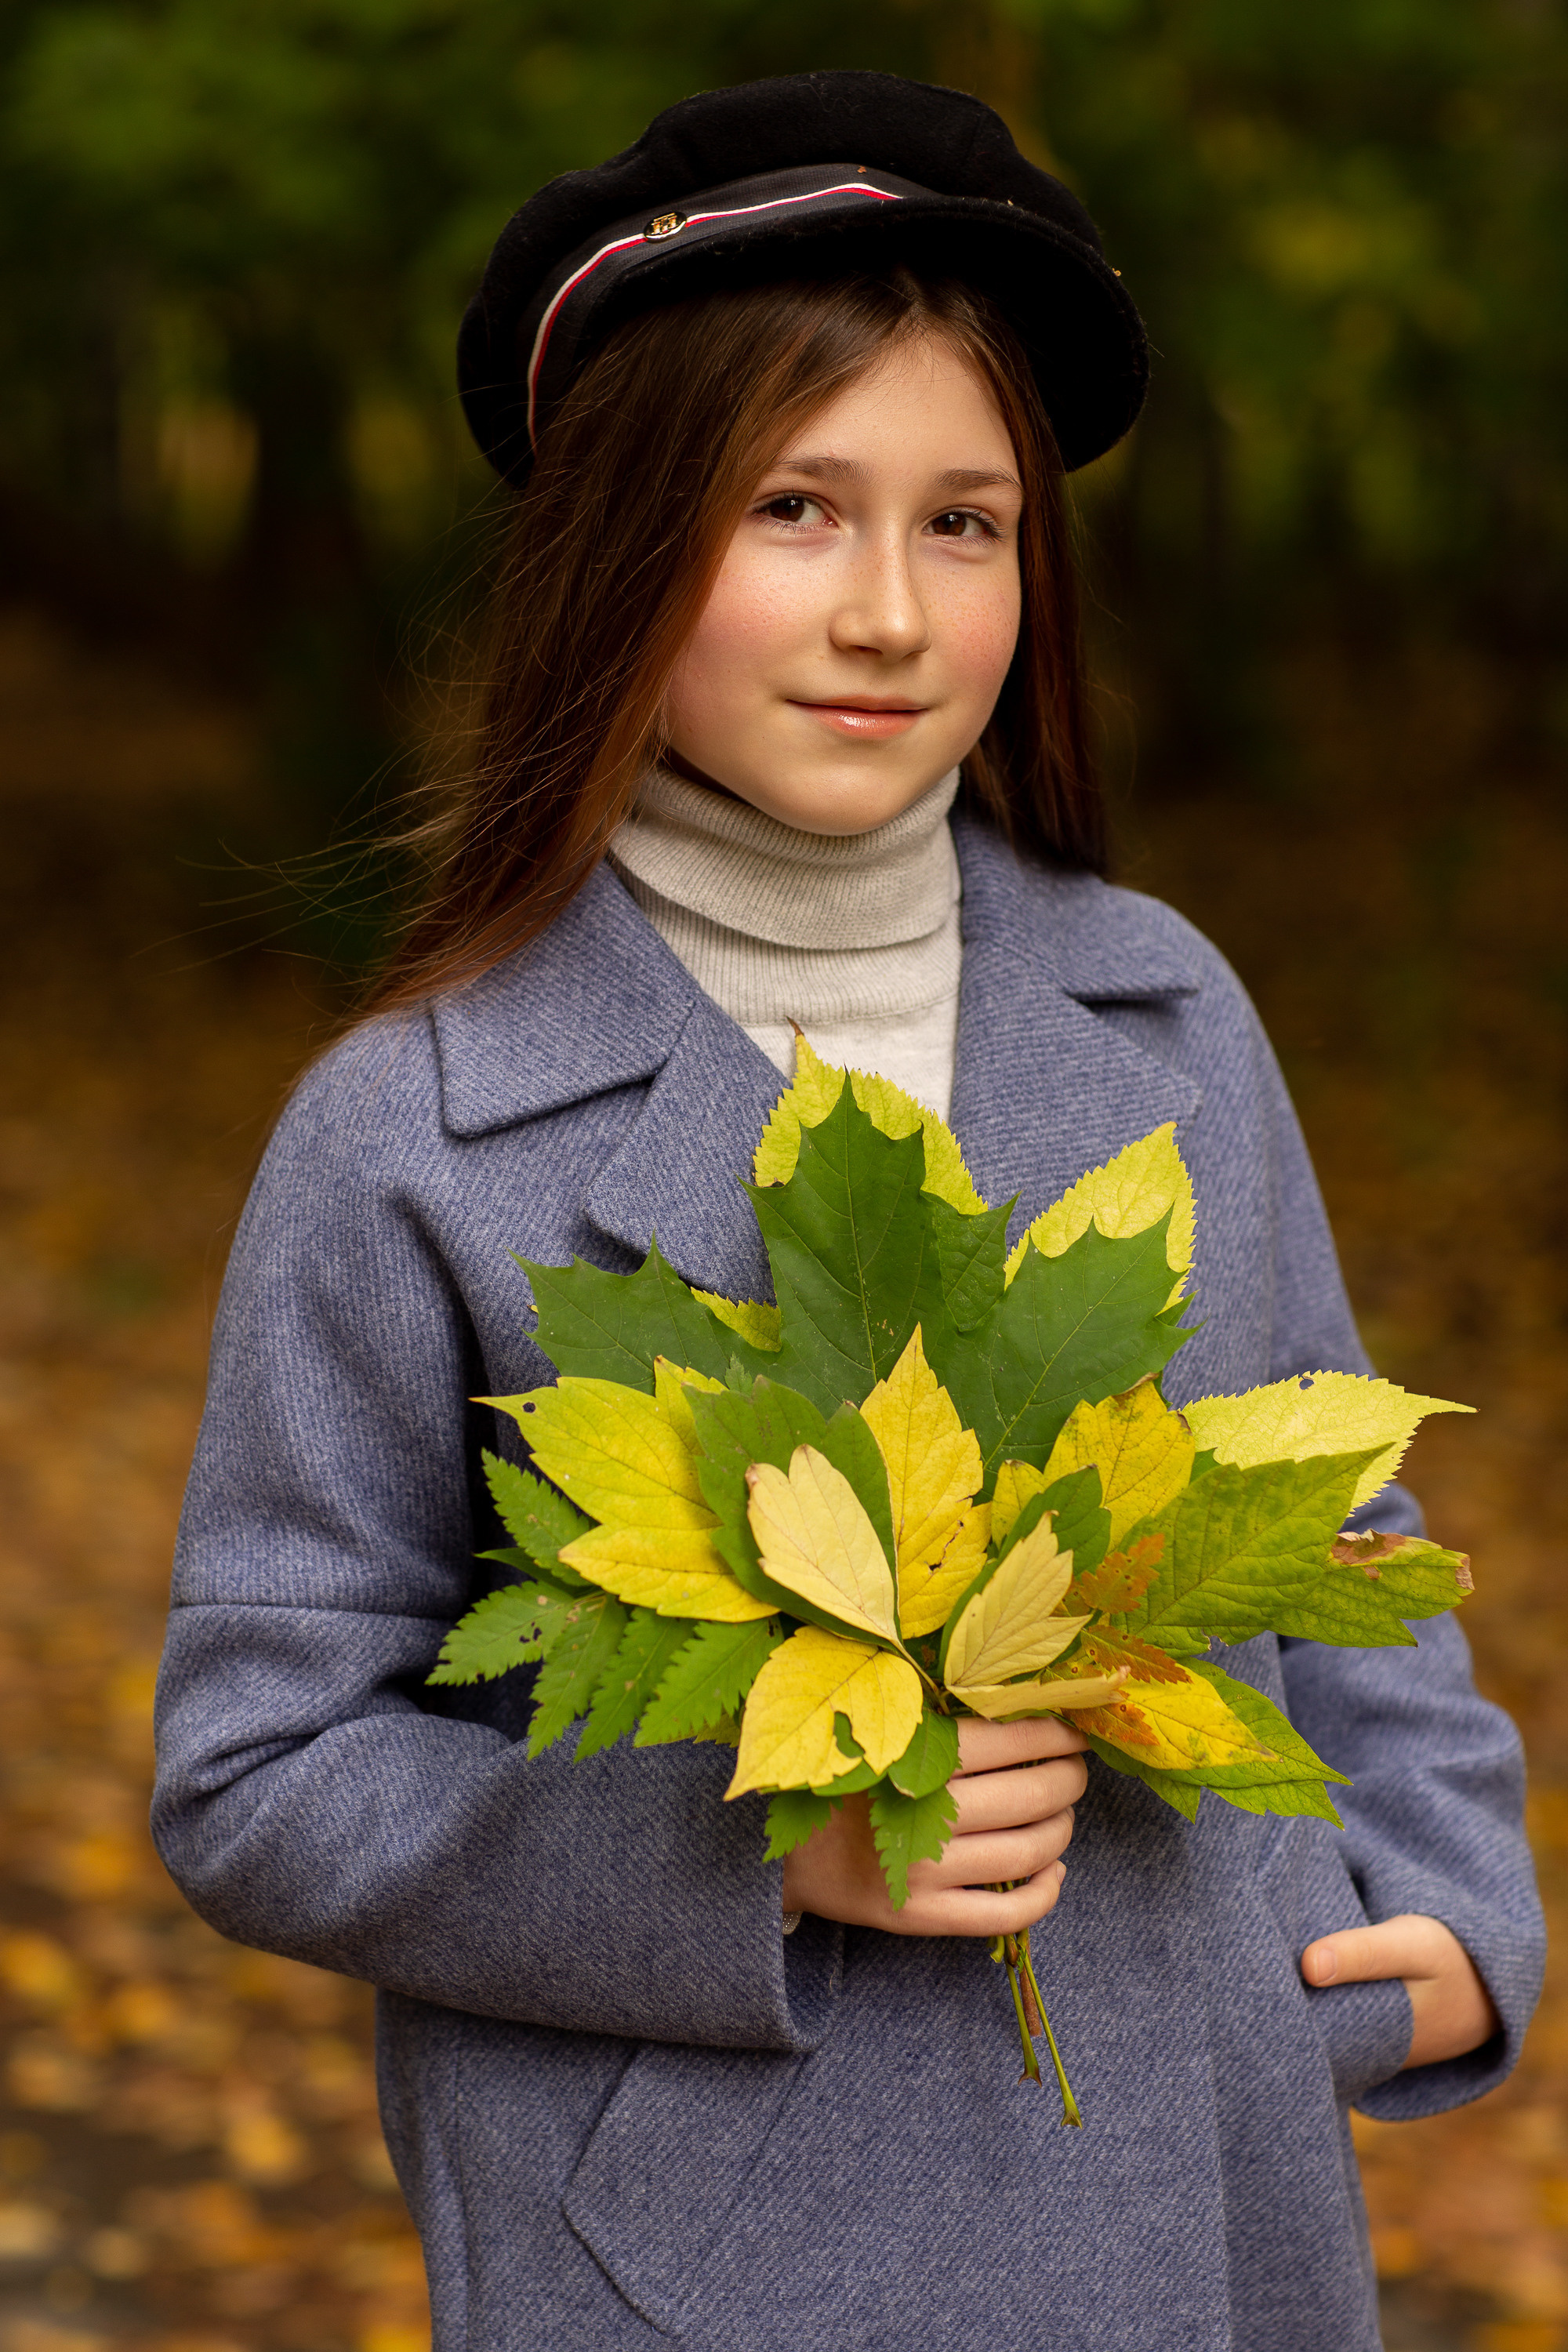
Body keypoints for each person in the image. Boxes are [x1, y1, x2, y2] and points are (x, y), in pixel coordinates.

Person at [152, 70, 1544, 2352]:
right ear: (619, 550)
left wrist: (1461, 1892)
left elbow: (1343, 1521)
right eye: (795, 508)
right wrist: (745, 1858)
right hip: (712, 2249)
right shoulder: (412, 1130)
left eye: (967, 524)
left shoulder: (1166, 1011)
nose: (889, 611)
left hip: (1207, 2185)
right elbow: (258, 1767)